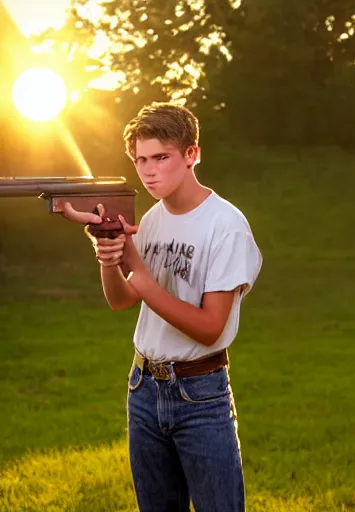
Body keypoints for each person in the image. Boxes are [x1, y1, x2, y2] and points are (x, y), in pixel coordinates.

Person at [63, 102, 262, 512]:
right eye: (140, 160)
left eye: (161, 157)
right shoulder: (150, 220)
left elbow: (209, 326)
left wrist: (138, 270)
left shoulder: (226, 226)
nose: (149, 170)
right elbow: (121, 299)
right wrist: (107, 251)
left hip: (200, 393)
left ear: (192, 154)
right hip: (143, 387)